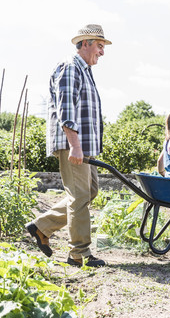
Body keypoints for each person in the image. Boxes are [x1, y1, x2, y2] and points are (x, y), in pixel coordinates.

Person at [26, 24, 111, 267]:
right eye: (99, 46)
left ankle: (42, 227)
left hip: (84, 145)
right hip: (73, 143)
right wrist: (75, 145)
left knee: (89, 191)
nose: (102, 52)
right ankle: (79, 253)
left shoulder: (85, 71)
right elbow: (66, 109)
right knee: (79, 196)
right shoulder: (71, 67)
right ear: (85, 43)